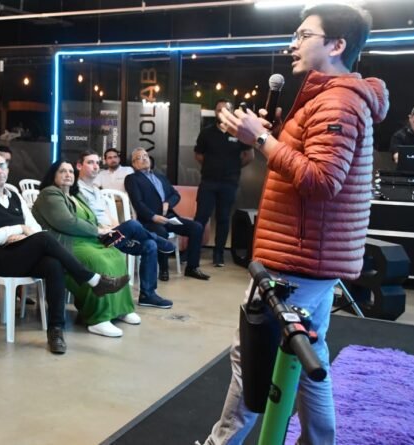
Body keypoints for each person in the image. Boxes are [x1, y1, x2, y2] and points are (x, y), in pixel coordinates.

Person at [201, 4, 388, 444]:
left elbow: (321, 181)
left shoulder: (337, 101)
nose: (293, 44)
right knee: (306, 356)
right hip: (308, 254)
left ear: (337, 45)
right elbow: (309, 162)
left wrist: (263, 139)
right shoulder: (331, 97)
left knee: (253, 359)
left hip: (297, 259)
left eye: (304, 35)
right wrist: (266, 135)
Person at [0, 150, 129, 354]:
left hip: (21, 255)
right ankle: (93, 279)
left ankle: (55, 330)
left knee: (54, 265)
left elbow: (34, 228)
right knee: (44, 238)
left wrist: (23, 235)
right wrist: (19, 229)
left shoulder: (15, 196)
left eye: (2, 165)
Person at [32, 160, 139, 338]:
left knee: (115, 254)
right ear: (53, 175)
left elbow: (91, 219)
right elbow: (66, 222)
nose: (68, 174)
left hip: (87, 241)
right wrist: (97, 230)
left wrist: (102, 229)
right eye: (62, 171)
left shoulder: (76, 195)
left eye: (70, 172)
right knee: (98, 261)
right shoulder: (49, 193)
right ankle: (98, 318)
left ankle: (120, 309)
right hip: (66, 244)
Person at [75, 150, 175, 309]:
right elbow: (80, 218)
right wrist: (104, 229)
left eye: (97, 163)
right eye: (90, 162)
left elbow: (108, 216)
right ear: (79, 166)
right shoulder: (76, 190)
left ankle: (147, 295)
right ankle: (160, 241)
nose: (95, 167)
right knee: (133, 225)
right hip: (97, 238)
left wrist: (116, 228)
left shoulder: (96, 190)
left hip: (112, 236)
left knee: (149, 245)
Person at [125, 147, 209, 281]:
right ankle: (163, 268)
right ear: (134, 164)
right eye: (139, 158)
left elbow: (175, 195)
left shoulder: (160, 177)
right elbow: (138, 203)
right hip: (149, 220)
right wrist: (153, 217)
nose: (144, 159)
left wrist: (168, 203)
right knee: (161, 232)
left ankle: (192, 267)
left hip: (169, 217)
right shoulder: (132, 179)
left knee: (197, 227)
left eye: (145, 156)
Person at [194, 99, 255, 267]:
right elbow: (198, 155)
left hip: (229, 183)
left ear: (231, 112)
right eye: (218, 110)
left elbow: (249, 156)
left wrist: (232, 167)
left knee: (223, 218)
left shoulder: (239, 133)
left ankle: (218, 254)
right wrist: (211, 166)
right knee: (201, 217)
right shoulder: (206, 133)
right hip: (208, 182)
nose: (221, 112)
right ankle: (193, 252)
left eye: (225, 110)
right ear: (215, 112)